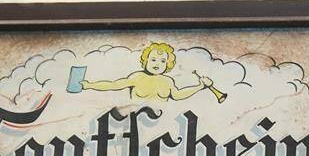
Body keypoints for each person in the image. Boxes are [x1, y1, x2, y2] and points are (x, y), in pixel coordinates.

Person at [82, 42, 215, 101]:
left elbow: (178, 95)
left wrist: (200, 87)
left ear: (168, 64)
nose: (157, 64)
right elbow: (114, 85)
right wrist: (89, 85)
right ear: (145, 61)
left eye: (162, 61)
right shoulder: (137, 77)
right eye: (153, 59)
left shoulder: (167, 81)